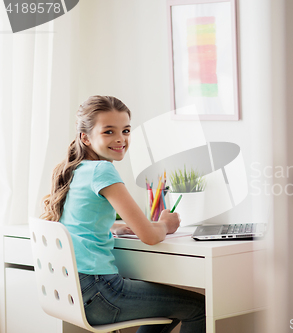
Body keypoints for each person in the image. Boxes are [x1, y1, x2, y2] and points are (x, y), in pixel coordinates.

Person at [40, 95, 206, 333]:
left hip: (75, 290)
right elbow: (149, 236)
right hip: (99, 292)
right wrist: (166, 224)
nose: (120, 139)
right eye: (109, 132)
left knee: (166, 307)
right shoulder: (102, 170)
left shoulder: (75, 169)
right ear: (85, 137)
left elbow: (78, 221)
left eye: (126, 130)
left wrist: (109, 226)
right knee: (198, 307)